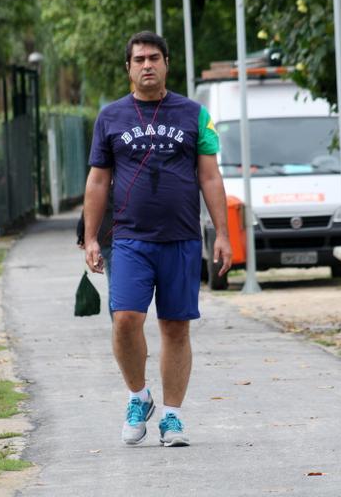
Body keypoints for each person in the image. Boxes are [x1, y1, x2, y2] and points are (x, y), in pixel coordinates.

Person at [83, 31, 232, 447]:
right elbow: (98, 180)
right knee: (125, 320)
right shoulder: (110, 117)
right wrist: (91, 237)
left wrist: (222, 234)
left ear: (167, 63)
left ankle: (172, 417)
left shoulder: (195, 114)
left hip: (182, 238)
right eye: (139, 60)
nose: (147, 65)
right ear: (128, 68)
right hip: (129, 238)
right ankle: (138, 396)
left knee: (175, 328)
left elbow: (209, 175)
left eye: (154, 58)